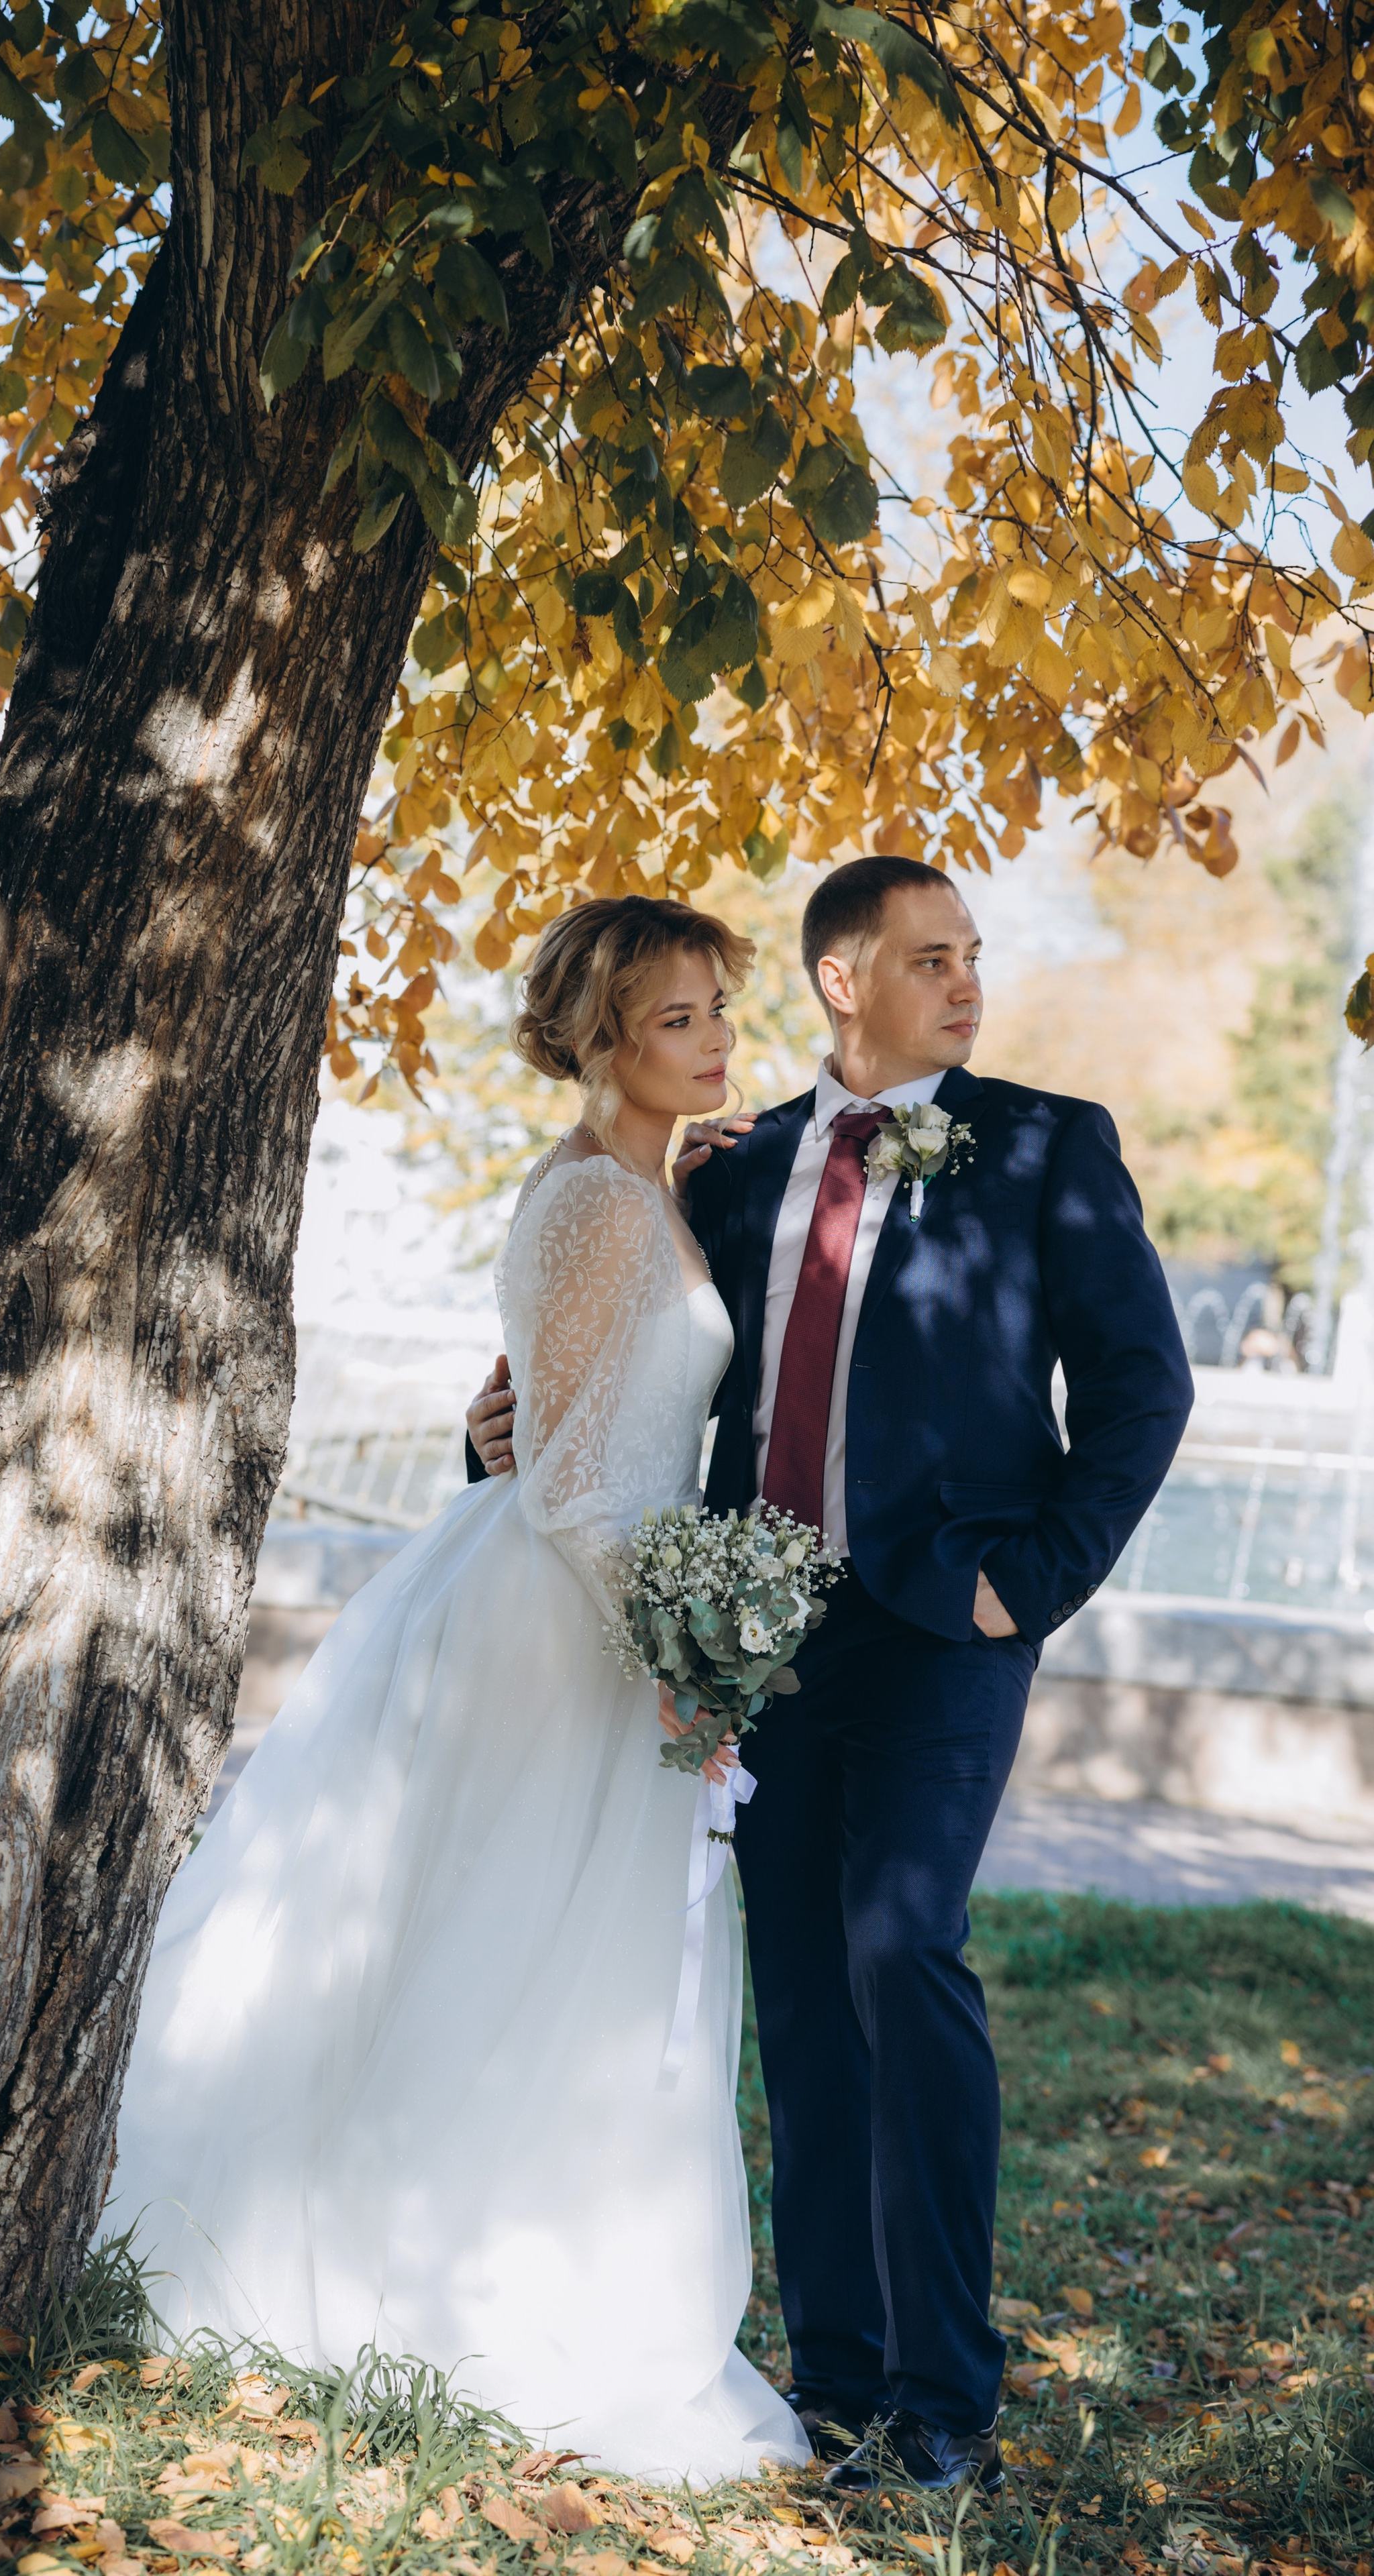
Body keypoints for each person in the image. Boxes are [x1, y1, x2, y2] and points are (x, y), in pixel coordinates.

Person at [468, 855, 1193, 2493]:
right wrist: (484, 1432)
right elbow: (611, 1371)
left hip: (949, 1631)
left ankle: (944, 2402)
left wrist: (1032, 1584)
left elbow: (1142, 1394)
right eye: (930, 959)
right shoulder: (733, 1166)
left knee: (901, 1958)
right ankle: (841, 2385)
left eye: (973, 958)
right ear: (839, 982)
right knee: (796, 2002)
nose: (968, 986)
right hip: (763, 1639)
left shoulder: (1044, 1145)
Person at [108, 896, 810, 2484]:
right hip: (564, 1621)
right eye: (677, 1020)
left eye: (714, 1010)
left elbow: (558, 1423)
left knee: (573, 1960)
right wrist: (683, 1649)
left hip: (593, 1608)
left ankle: (526, 2258)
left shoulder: (647, 1188)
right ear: (601, 1041)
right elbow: (564, 1480)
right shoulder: (589, 1205)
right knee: (507, 1945)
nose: (711, 1040)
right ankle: (424, 2286)